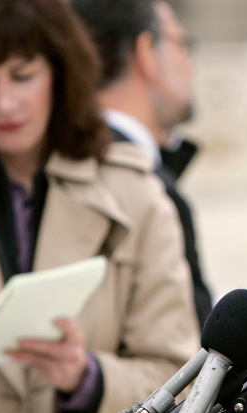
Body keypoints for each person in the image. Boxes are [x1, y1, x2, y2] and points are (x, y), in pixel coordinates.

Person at [0, 0, 200, 413]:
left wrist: (87, 378)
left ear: (60, 71)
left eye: (23, 75)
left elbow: (180, 379)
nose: (4, 102)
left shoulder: (136, 193)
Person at [71, 0, 213, 328]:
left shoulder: (55, 164)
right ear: (147, 52)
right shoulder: (144, 186)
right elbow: (196, 358)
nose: (191, 65)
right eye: (183, 45)